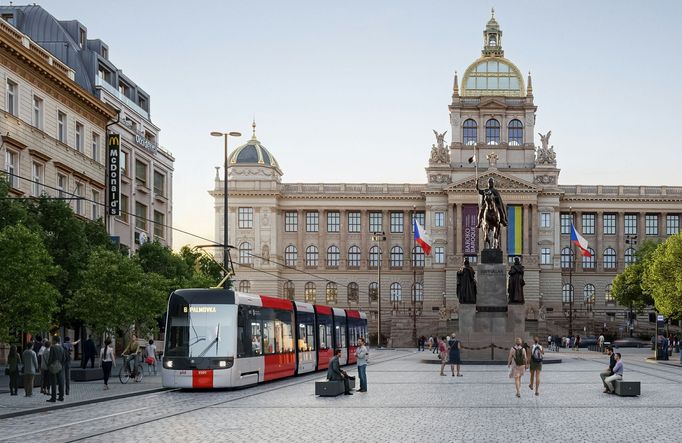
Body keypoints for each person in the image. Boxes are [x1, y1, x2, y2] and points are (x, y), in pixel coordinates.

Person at [47, 336, 66, 402]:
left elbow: (50, 358)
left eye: (52, 340)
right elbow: (64, 358)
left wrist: (48, 365)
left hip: (53, 367)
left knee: (53, 382)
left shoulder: (52, 347)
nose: (52, 341)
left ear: (55, 340)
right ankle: (61, 397)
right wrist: (61, 365)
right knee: (61, 382)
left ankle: (53, 397)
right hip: (60, 367)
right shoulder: (61, 347)